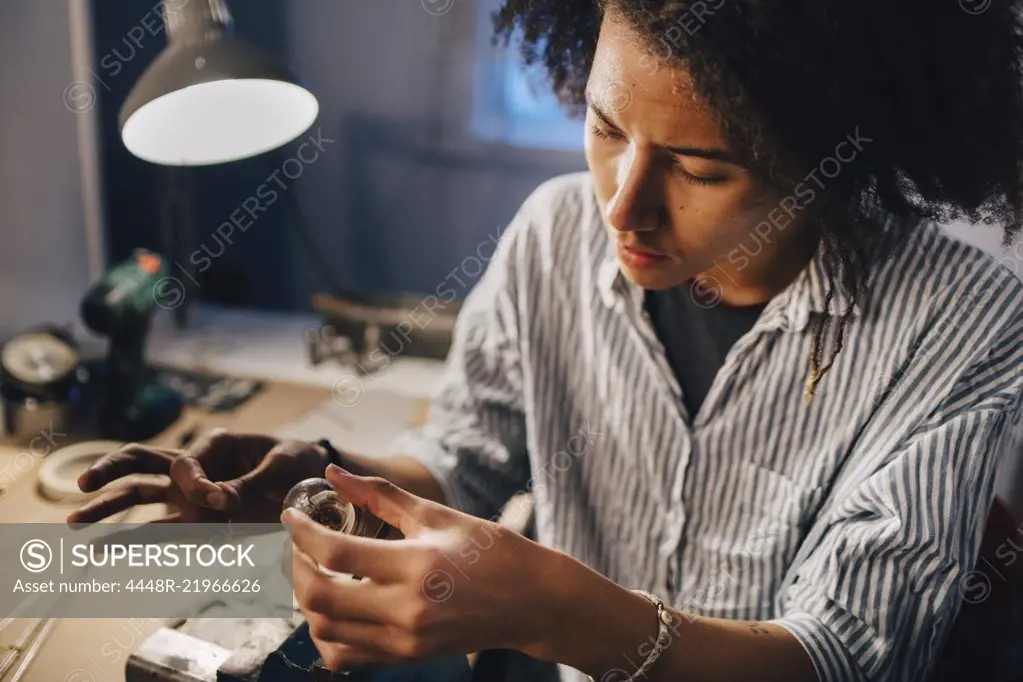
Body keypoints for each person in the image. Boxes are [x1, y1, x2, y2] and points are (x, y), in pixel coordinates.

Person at [69, 1, 1023, 680]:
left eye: (698, 167)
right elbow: (466, 459)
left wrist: (552, 609)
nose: (621, 204)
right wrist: (334, 484)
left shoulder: (960, 321)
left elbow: (844, 657)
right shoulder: (551, 233)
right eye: (605, 126)